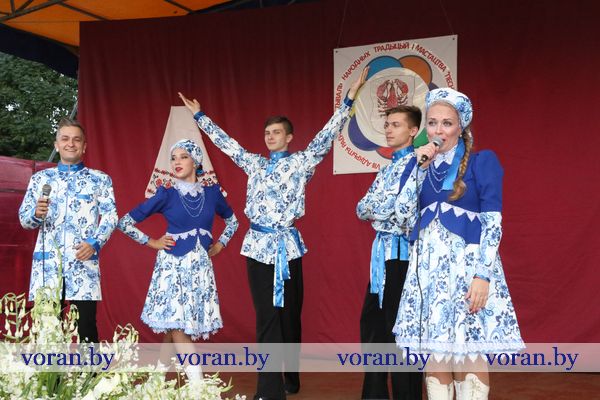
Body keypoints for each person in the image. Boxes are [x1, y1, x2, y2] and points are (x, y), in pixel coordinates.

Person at [178, 67, 368, 400]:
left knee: (289, 317)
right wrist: (200, 116)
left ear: (289, 137)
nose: (270, 136)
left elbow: (326, 135)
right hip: (257, 247)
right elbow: (227, 145)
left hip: (288, 247)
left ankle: (290, 375)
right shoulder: (254, 163)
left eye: (277, 132)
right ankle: (269, 390)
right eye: (267, 132)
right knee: (267, 318)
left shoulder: (302, 162)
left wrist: (349, 100)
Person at [392, 88, 524, 400]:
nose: (438, 130)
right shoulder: (415, 166)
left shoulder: (482, 162)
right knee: (436, 354)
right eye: (433, 122)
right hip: (428, 274)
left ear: (460, 127)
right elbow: (401, 216)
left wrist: (483, 275)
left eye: (447, 123)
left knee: (468, 352)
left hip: (468, 270)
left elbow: (493, 223)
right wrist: (418, 167)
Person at [117, 139, 238, 382]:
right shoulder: (166, 193)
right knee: (178, 327)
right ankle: (198, 388)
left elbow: (233, 221)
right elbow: (124, 222)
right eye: (173, 158)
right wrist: (152, 242)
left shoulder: (212, 193)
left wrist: (220, 244)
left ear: (196, 161)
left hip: (200, 269)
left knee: (174, 326)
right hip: (172, 269)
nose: (176, 162)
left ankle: (156, 380)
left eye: (183, 157)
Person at [18, 117, 118, 343]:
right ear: (56, 145)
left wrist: (94, 243)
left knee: (86, 329)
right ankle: (52, 369)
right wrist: (36, 214)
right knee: (47, 331)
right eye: (65, 139)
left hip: (83, 262)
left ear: (84, 146)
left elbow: (111, 215)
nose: (70, 144)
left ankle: (89, 368)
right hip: (47, 266)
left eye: (76, 139)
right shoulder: (40, 179)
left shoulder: (100, 179)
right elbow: (25, 221)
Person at [356, 105, 423, 400]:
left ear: (413, 131)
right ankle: (374, 394)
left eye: (396, 124)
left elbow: (404, 213)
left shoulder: (419, 165)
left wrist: (381, 208)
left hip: (403, 255)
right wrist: (384, 208)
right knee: (373, 324)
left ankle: (407, 394)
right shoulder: (385, 170)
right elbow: (361, 208)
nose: (388, 129)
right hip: (381, 255)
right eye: (387, 124)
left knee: (401, 327)